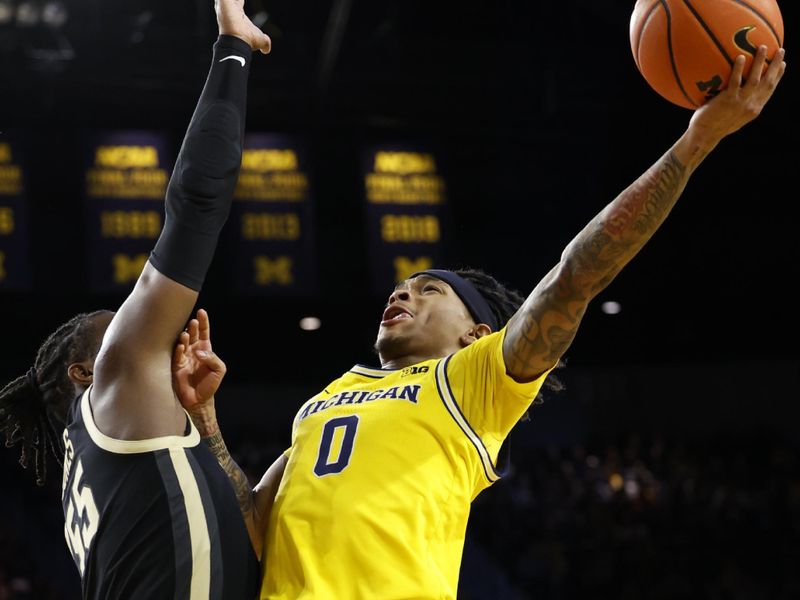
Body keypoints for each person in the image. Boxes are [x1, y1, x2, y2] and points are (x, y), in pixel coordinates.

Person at [175, 45, 787, 599]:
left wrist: (696, 142)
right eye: (400, 287)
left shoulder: (474, 384)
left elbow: (576, 277)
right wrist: (205, 423)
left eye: (429, 290)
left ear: (476, 334)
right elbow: (250, 531)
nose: (401, 294)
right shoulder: (322, 403)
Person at [0, 1, 271, 598]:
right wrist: (232, 46)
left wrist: (205, 426)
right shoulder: (119, 379)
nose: (147, 328)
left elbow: (241, 540)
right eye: (117, 326)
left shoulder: (107, 465)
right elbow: (197, 202)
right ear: (86, 372)